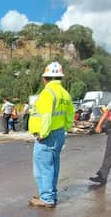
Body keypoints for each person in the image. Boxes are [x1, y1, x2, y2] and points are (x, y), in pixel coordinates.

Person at [28, 62, 75, 208]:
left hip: (47, 135)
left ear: (45, 78)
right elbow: (70, 113)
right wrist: (65, 128)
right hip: (59, 133)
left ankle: (47, 198)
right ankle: (50, 194)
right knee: (53, 166)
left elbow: (46, 115)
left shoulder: (48, 93)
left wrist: (43, 133)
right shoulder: (64, 94)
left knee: (43, 167)